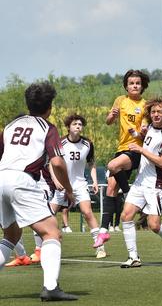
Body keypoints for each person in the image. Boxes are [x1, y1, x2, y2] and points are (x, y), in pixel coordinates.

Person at [0, 82, 78, 301]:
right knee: (52, 233)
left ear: (28, 103)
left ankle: (51, 287)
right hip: (22, 180)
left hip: (1, 178)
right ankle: (51, 288)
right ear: (50, 107)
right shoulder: (47, 128)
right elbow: (58, 163)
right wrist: (69, 190)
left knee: (11, 235)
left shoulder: (10, 125)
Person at [119, 97, 162, 267]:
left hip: (155, 184)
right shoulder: (149, 127)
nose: (156, 114)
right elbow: (145, 138)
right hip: (140, 181)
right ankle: (133, 257)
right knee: (126, 216)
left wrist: (141, 150)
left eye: (160, 112)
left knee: (154, 226)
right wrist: (135, 134)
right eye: (153, 112)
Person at [94, 69, 150, 247]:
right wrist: (111, 116)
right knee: (110, 189)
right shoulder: (120, 100)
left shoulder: (145, 105)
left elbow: (145, 132)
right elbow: (109, 121)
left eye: (138, 83)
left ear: (142, 86)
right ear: (126, 86)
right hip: (122, 148)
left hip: (136, 150)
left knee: (112, 165)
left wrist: (142, 131)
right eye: (131, 83)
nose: (135, 85)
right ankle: (103, 231)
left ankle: (128, 193)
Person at [50, 113, 106, 259]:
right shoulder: (60, 142)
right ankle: (41, 249)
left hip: (80, 184)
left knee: (87, 213)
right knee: (49, 214)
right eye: (75, 124)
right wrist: (56, 181)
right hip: (61, 184)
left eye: (80, 124)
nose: (78, 126)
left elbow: (92, 163)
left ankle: (100, 247)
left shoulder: (87, 144)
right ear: (68, 127)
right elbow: (51, 163)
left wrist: (94, 181)